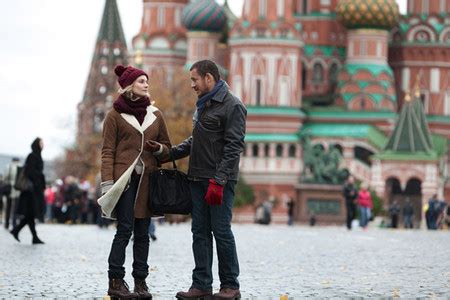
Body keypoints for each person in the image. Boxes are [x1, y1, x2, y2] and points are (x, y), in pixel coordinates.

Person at [149, 60, 246, 299]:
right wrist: (167, 153)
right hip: (197, 178)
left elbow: (234, 147)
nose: (192, 84)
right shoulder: (203, 105)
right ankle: (201, 284)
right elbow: (196, 141)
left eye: (194, 80)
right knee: (199, 233)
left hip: (218, 182)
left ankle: (230, 286)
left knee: (221, 232)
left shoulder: (233, 105)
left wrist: (220, 180)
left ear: (209, 78)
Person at [97, 65, 171, 299]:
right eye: (141, 81)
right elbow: (107, 151)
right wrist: (107, 182)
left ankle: (141, 282)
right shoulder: (114, 115)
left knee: (142, 232)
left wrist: (159, 149)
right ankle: (116, 281)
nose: (146, 84)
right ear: (129, 85)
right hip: (124, 181)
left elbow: (167, 148)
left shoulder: (156, 114)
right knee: (124, 229)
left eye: (146, 81)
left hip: (148, 181)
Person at [10, 138, 46, 244]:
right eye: (41, 143)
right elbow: (29, 171)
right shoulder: (32, 156)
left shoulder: (38, 156)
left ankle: (18, 231)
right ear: (36, 144)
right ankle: (29, 235)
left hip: (35, 190)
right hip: (31, 191)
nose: (43, 145)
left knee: (30, 214)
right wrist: (38, 180)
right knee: (31, 213)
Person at [3, 157, 21, 229]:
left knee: (8, 206)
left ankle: (7, 223)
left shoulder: (9, 167)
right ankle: (14, 222)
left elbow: (5, 177)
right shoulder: (21, 167)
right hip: (18, 189)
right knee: (16, 207)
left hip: (10, 188)